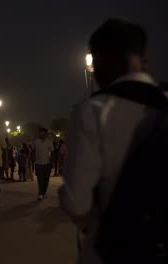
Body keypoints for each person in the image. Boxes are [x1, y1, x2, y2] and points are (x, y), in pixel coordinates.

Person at [59, 19, 168, 263]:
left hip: (109, 250)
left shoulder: (93, 111)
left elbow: (77, 203)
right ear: (141, 59)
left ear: (100, 60)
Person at [32, 128, 53, 200]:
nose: (42, 134)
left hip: (47, 163)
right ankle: (40, 193)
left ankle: (44, 192)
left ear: (46, 133)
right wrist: (32, 161)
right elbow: (32, 150)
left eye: (43, 133)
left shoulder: (49, 142)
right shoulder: (36, 141)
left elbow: (52, 151)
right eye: (40, 132)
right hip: (38, 163)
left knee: (46, 179)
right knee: (40, 179)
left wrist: (52, 162)